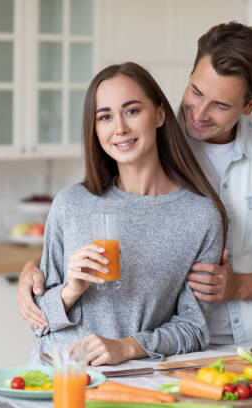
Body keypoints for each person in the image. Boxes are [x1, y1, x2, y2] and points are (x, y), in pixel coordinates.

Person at [18, 22, 252, 345]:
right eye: (196, 91)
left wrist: (238, 286)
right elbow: (85, 218)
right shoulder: (147, 136)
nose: (198, 113)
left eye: (221, 105)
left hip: (242, 342)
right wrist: (37, 269)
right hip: (163, 357)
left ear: (250, 106)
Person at [28, 62, 227, 366]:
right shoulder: (71, 203)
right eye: (105, 117)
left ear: (159, 114)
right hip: (54, 377)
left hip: (133, 383)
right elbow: (38, 321)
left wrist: (129, 346)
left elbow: (194, 328)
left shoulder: (199, 216)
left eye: (132, 111)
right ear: (95, 129)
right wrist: (71, 290)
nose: (119, 127)